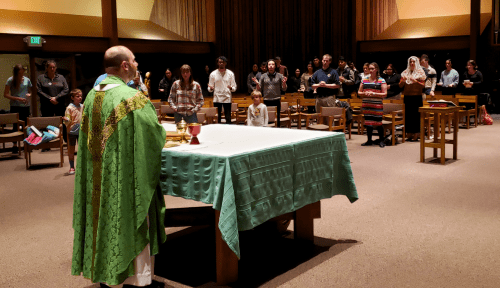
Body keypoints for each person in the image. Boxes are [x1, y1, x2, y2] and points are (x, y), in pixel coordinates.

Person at [71, 45, 167, 288]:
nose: (137, 64)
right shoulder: (132, 99)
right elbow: (154, 135)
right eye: (134, 60)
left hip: (98, 178)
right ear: (125, 65)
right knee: (130, 215)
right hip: (123, 178)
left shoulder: (91, 96)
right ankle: (136, 281)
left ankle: (107, 276)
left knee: (103, 218)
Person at [3, 64, 32, 154]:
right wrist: (18, 98)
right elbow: (6, 94)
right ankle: (15, 145)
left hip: (25, 106)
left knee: (26, 125)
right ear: (16, 73)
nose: (21, 75)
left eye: (22, 73)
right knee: (16, 125)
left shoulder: (27, 80)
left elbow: (30, 91)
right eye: (19, 73)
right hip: (15, 106)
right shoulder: (10, 80)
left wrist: (29, 95)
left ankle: (27, 144)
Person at [358, 62, 387, 147]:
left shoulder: (381, 80)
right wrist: (364, 93)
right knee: (368, 123)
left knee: (378, 123)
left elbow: (385, 94)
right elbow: (359, 92)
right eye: (369, 68)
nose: (370, 70)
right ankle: (369, 140)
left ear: (376, 69)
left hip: (377, 105)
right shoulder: (364, 79)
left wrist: (374, 94)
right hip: (367, 104)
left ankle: (381, 140)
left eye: (372, 69)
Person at [399, 56, 426, 141]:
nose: (412, 63)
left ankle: (417, 133)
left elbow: (423, 86)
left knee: (416, 116)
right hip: (407, 97)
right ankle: (409, 132)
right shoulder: (405, 73)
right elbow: (400, 86)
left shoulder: (421, 73)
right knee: (408, 116)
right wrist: (402, 82)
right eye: (410, 62)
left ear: (416, 63)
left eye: (414, 62)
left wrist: (416, 81)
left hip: (417, 97)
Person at [255, 59, 287, 127]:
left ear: (275, 66)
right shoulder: (263, 76)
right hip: (267, 100)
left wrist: (284, 83)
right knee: (267, 118)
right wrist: (257, 84)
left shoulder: (280, 76)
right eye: (269, 64)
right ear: (267, 66)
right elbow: (259, 89)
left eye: (272, 64)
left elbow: (284, 88)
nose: (271, 66)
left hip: (277, 100)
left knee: (277, 119)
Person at [208, 56, 237, 124]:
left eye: (222, 62)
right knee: (218, 118)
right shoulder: (213, 74)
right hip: (217, 98)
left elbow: (234, 87)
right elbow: (209, 87)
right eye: (220, 62)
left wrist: (231, 88)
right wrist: (211, 88)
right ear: (218, 63)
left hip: (227, 98)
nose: (221, 63)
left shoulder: (230, 73)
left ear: (225, 63)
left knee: (228, 118)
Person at [62, 89, 83, 175]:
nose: (80, 98)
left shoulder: (83, 106)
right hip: (71, 130)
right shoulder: (69, 108)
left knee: (82, 149)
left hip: (81, 130)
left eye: (81, 96)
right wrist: (66, 120)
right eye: (77, 96)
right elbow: (67, 121)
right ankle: (71, 167)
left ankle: (82, 166)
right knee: (71, 149)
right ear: (72, 98)